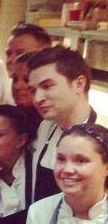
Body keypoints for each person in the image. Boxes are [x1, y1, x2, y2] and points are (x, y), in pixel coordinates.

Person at [28, 45, 97, 202]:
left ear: (79, 84)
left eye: (47, 86)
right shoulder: (45, 128)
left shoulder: (104, 134)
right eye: (33, 91)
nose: (37, 99)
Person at [11, 52, 42, 131]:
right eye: (15, 79)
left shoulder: (54, 123)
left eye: (26, 79)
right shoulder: (7, 118)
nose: (17, 87)